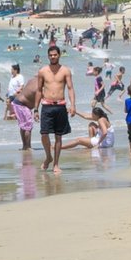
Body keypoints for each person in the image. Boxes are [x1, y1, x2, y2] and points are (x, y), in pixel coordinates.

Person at [33, 45, 76, 174]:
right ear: (48, 56)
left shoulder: (65, 71)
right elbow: (39, 90)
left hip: (60, 106)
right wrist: (36, 109)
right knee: (44, 134)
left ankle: (56, 164)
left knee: (58, 137)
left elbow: (70, 88)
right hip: (46, 105)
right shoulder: (42, 71)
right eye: (51, 55)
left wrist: (73, 105)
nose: (53, 57)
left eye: (55, 55)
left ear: (59, 55)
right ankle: (48, 156)